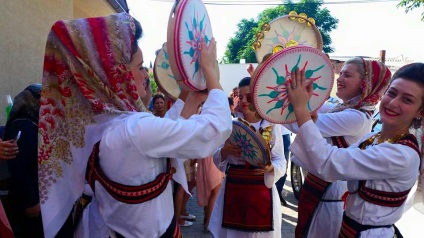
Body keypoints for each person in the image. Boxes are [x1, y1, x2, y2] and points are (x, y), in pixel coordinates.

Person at [38, 13, 232, 238]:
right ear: (115, 75)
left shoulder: (103, 124)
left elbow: (162, 133)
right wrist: (211, 73)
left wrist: (192, 98)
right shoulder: (132, 130)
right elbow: (213, 130)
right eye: (140, 67)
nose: (145, 76)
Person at [287, 63, 423, 237]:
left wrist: (301, 110)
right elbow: (334, 167)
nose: (393, 102)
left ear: (420, 111)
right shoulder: (373, 139)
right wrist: (307, 118)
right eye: (392, 93)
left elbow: (329, 163)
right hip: (350, 229)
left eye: (407, 100)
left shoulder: (401, 154)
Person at [209, 76, 286, 238]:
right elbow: (216, 156)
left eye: (248, 96)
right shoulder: (230, 124)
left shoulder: (271, 125)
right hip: (234, 189)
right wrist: (225, 151)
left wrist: (272, 168)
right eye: (240, 96)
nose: (244, 100)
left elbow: (281, 160)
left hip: (262, 191)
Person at [2, 84, 44, 237]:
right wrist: (31, 202)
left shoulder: (33, 123)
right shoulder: (23, 126)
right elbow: (19, 167)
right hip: (26, 200)